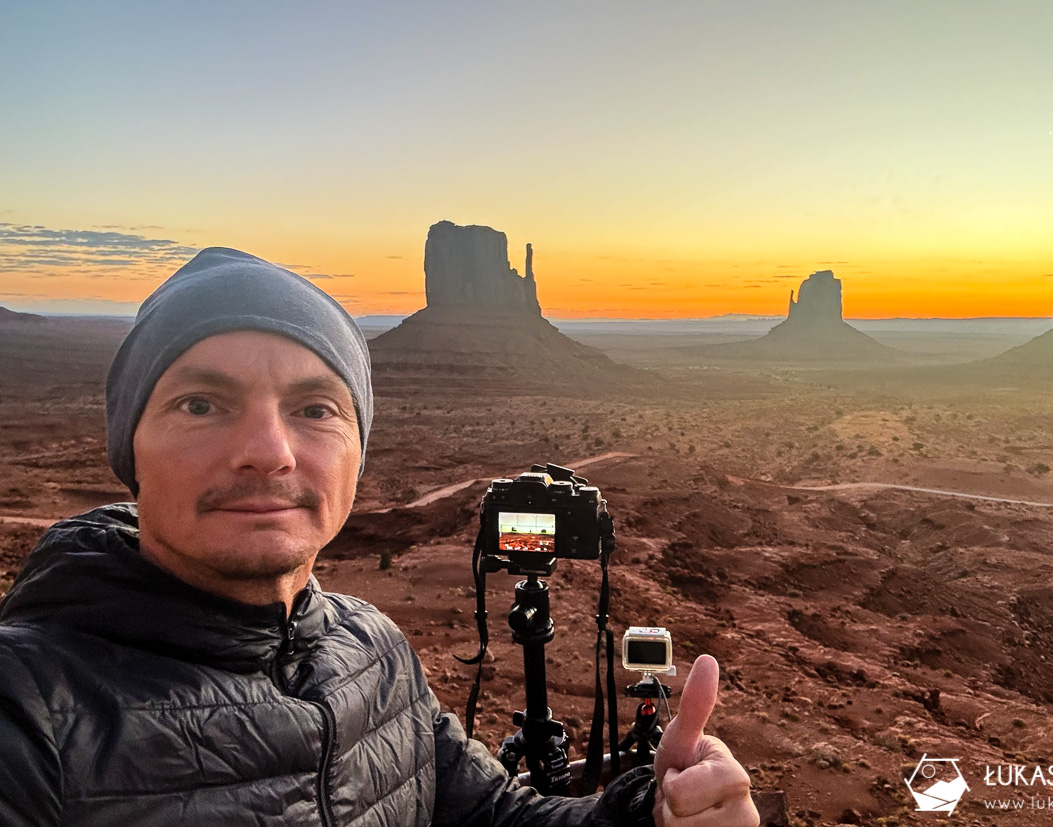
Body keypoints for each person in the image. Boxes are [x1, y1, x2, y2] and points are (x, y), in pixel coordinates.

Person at [0, 248, 760, 827]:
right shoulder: (30, 711)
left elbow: (499, 817)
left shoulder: (375, 650)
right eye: (200, 403)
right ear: (129, 447)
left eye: (316, 408)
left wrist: (643, 812)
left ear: (358, 454)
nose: (269, 450)